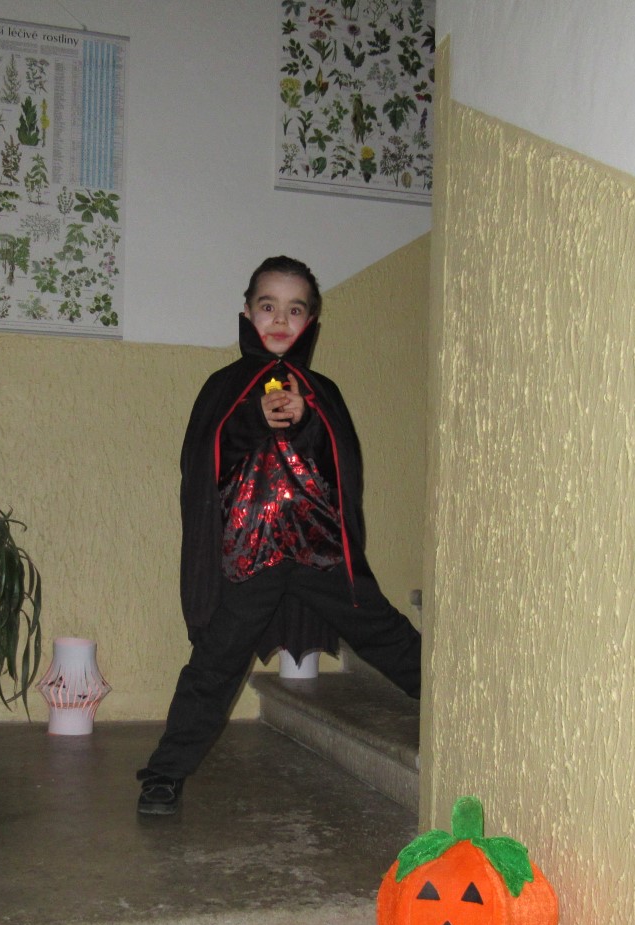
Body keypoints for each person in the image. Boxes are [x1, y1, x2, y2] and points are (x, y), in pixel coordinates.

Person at [136, 255, 422, 815]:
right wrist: (252, 418)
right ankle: (165, 773)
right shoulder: (223, 387)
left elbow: (342, 466)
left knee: (384, 632)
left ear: (310, 321)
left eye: (295, 310)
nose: (280, 320)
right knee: (215, 662)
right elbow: (203, 463)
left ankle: (460, 709)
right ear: (247, 312)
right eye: (268, 306)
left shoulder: (323, 391)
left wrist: (308, 419)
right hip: (250, 557)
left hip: (320, 553)